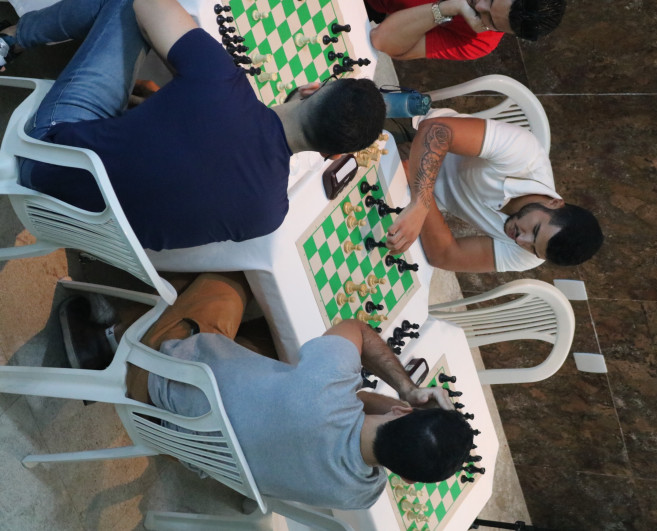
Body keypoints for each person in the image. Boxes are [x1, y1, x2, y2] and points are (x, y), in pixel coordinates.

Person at [60, 272, 475, 509]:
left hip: (155, 387)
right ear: (405, 476)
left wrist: (408, 389)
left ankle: (107, 337)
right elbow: (361, 405)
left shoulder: (325, 389)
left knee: (233, 279)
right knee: (264, 344)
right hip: (186, 448)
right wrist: (405, 414)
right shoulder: (362, 494)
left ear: (402, 412)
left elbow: (357, 331)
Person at [0, 0, 386, 251]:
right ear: (330, 154)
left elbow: (147, 5)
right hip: (86, 232)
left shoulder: (222, 81)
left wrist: (195, 68)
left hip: (44, 161)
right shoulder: (269, 213)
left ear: (309, 89)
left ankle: (9, 41)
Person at [385, 109, 603, 272]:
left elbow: (445, 256)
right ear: (554, 203)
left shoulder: (529, 253)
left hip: (412, 192)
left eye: (533, 249)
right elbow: (436, 131)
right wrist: (421, 203)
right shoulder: (526, 155)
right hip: (411, 135)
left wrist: (422, 198)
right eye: (535, 230)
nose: (521, 240)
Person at [366, 0, 567, 61]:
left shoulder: (480, 40)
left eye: (490, 20)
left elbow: (381, 40)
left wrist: (446, 8)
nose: (479, 6)